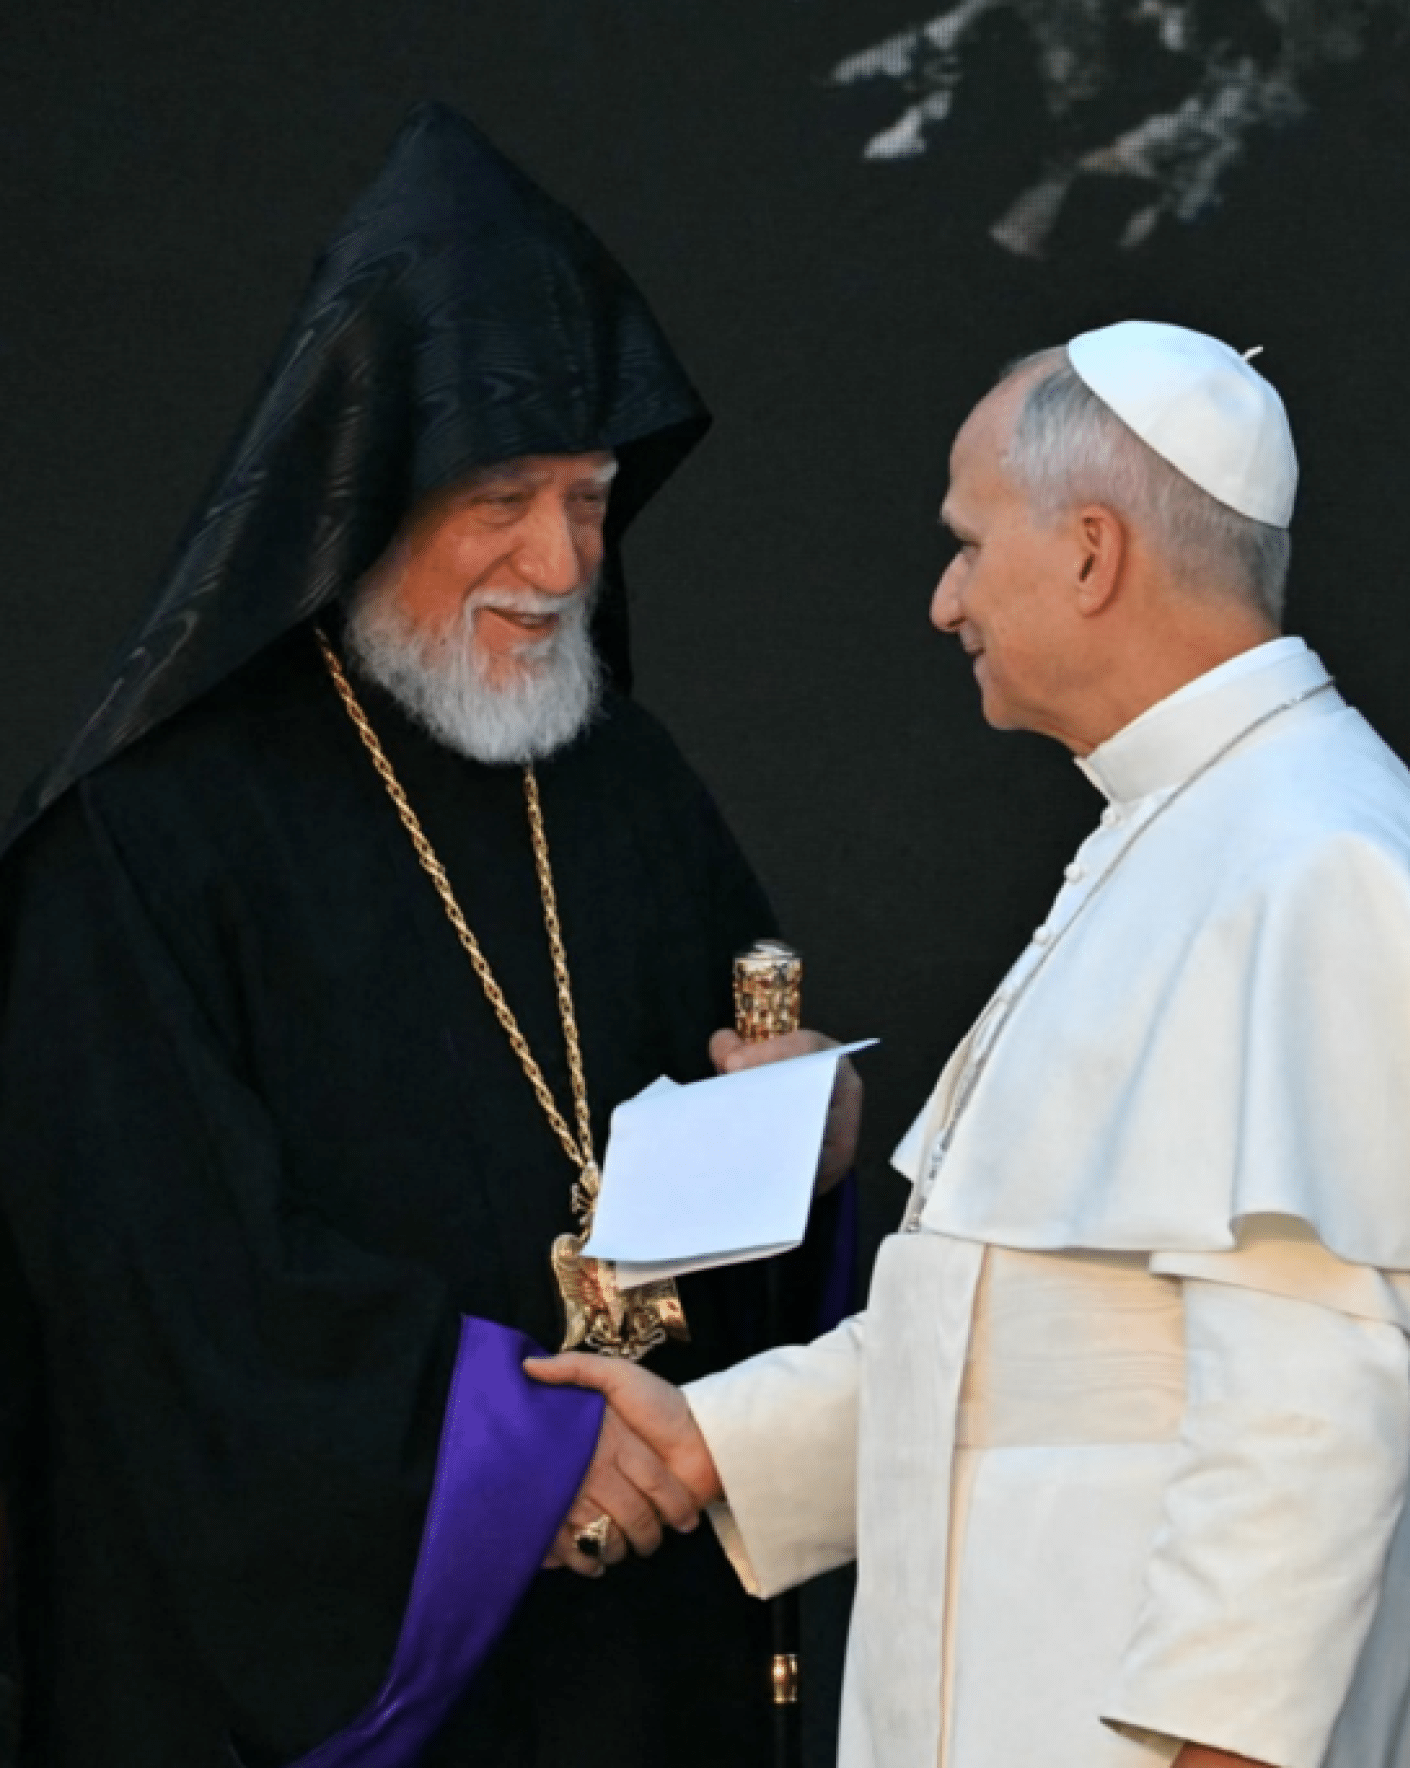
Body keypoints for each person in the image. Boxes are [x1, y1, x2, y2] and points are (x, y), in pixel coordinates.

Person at [531, 321, 1410, 1768]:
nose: (945, 602)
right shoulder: (1182, 829)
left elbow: (1312, 1406)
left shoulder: (1309, 853)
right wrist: (706, 1447)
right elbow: (1021, 1336)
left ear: (1089, 554)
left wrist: (1221, 1755)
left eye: (967, 545)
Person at [0, 103, 857, 1768]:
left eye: (594, 501)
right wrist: (510, 1458)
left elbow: (739, 1157)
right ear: (365, 491)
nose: (561, 565)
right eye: (506, 498)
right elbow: (165, 1302)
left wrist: (811, 1136)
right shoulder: (149, 837)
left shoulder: (620, 776)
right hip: (336, 1678)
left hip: (631, 1652)